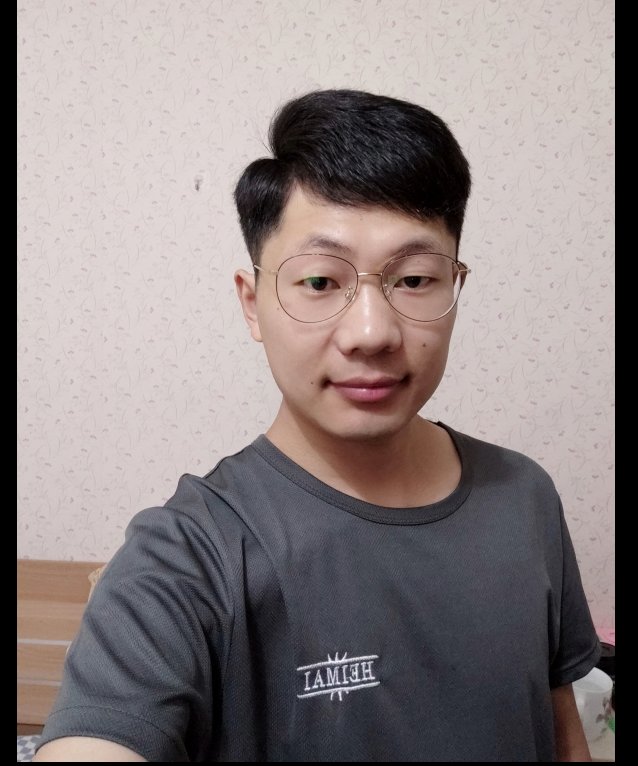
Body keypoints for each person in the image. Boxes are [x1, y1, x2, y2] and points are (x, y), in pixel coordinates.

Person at [34, 89, 600, 762]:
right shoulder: (189, 555)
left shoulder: (524, 495)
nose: (372, 332)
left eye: (414, 279)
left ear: (455, 287)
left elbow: (559, 728)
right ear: (253, 304)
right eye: (321, 282)